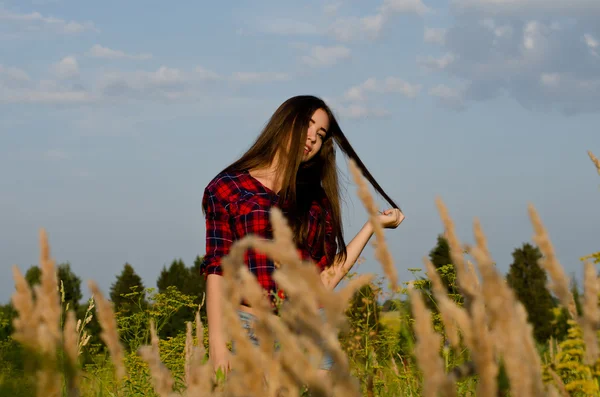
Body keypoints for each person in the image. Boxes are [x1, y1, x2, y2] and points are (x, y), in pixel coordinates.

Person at [201, 95, 404, 376]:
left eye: (320, 134)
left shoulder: (316, 199)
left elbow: (324, 279)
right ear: (284, 123)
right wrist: (218, 345)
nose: (312, 138)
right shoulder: (227, 189)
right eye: (307, 126)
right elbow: (217, 270)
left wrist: (372, 226)